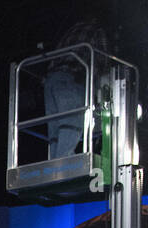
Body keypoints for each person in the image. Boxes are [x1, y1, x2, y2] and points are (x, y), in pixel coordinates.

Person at [42, 19, 109, 158]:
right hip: (73, 78)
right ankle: (64, 159)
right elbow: (102, 60)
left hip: (52, 79)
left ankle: (55, 160)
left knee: (55, 127)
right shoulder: (97, 30)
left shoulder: (74, 28)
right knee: (72, 122)